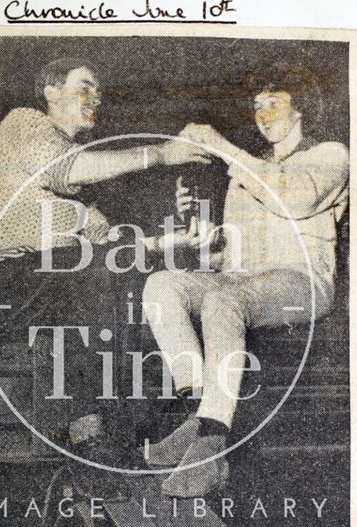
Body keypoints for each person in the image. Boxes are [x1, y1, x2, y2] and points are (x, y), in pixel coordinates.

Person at [0, 57, 213, 443]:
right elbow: (66, 170)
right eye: (85, 86)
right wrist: (160, 153)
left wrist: (179, 237)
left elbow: (113, 242)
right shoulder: (25, 123)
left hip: (48, 283)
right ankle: (103, 427)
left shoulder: (81, 176)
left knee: (133, 274)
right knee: (101, 273)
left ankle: (171, 414)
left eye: (100, 90)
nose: (97, 96)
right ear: (51, 91)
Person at [142, 64, 349, 497]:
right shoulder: (247, 171)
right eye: (257, 105)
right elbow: (232, 256)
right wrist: (200, 242)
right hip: (245, 283)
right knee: (163, 286)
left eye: (275, 103)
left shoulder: (330, 154)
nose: (263, 113)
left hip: (303, 284)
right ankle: (199, 415)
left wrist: (219, 144)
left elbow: (291, 198)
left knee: (225, 301)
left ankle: (212, 447)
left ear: (302, 110)